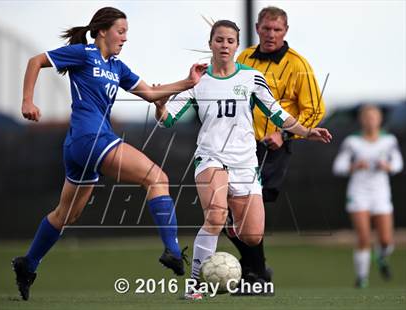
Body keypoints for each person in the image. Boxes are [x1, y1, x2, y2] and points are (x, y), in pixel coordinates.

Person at [12, 7, 207, 301]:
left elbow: (151, 94)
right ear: (102, 30)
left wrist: (188, 82)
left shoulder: (117, 67)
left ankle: (28, 263)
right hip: (91, 138)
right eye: (121, 31)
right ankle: (173, 251)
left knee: (67, 215)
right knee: (157, 178)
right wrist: (27, 100)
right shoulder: (83, 53)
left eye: (126, 32)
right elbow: (35, 60)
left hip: (81, 146)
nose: (125, 38)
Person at [154, 20, 332, 300]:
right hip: (211, 157)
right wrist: (160, 103)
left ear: (237, 46)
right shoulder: (197, 80)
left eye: (230, 41)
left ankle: (232, 252)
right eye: (219, 40)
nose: (224, 45)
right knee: (214, 215)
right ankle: (196, 285)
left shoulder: (251, 77)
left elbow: (276, 113)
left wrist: (306, 132)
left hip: (246, 163)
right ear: (210, 43)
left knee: (252, 235)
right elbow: (167, 121)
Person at [224, 6, 327, 288]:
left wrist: (284, 134)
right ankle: (255, 269)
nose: (271, 34)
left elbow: (315, 109)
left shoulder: (297, 65)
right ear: (257, 28)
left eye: (277, 29)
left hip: (273, 147)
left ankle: (254, 272)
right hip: (240, 146)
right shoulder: (244, 57)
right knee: (224, 214)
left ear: (286, 31)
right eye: (266, 28)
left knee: (246, 209)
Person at [333, 104, 403, 288]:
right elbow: (338, 167)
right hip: (358, 193)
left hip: (381, 194)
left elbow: (397, 164)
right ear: (361, 120)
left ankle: (382, 258)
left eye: (374, 117)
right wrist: (354, 167)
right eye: (367, 117)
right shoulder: (352, 142)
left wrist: (387, 166)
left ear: (380, 119)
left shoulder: (389, 140)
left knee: (386, 240)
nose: (371, 120)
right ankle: (362, 278)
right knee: (363, 238)